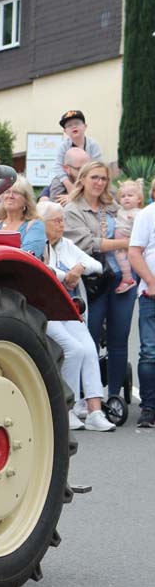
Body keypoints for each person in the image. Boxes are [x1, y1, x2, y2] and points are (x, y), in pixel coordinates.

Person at [36, 201, 114, 431]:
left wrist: (78, 267)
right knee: (73, 349)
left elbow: (96, 266)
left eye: (63, 220)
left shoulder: (65, 244)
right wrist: (65, 275)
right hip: (47, 309)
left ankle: (94, 411)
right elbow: (44, 269)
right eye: (57, 221)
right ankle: (66, 409)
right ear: (43, 224)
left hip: (69, 308)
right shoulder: (39, 244)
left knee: (90, 349)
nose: (62, 225)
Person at [64, 159, 136, 403]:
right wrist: (125, 243)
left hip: (121, 278)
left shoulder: (114, 207)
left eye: (103, 178)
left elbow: (134, 228)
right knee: (90, 337)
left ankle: (114, 395)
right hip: (92, 281)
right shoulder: (72, 209)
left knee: (119, 337)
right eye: (94, 177)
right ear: (82, 178)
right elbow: (87, 243)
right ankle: (89, 396)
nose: (99, 182)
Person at [127, 180, 155, 429]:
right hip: (151, 294)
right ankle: (149, 408)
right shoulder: (147, 215)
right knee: (149, 352)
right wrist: (150, 281)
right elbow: (134, 252)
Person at [0, 176, 45, 257]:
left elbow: (28, 256)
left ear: (26, 200)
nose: (10, 196)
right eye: (7, 192)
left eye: (16, 192)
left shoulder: (35, 225)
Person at [114, 179, 143, 293]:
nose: (126, 198)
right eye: (123, 196)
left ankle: (128, 278)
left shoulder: (139, 212)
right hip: (120, 244)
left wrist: (133, 219)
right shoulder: (120, 210)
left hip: (128, 241)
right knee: (121, 257)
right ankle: (127, 277)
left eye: (130, 195)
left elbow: (141, 226)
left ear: (139, 199)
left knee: (122, 258)